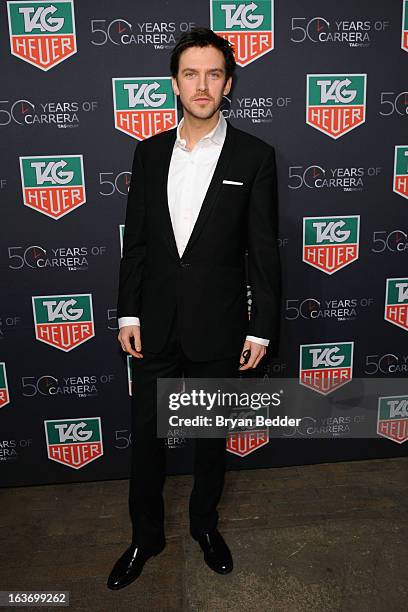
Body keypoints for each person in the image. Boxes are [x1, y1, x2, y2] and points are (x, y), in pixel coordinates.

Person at [107, 26, 281, 590]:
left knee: (209, 441)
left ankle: (205, 527)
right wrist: (128, 314)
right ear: (175, 84)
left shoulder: (255, 156)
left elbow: (263, 252)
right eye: (190, 73)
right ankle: (145, 537)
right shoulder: (149, 151)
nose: (201, 84)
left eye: (213, 74)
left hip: (219, 327)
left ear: (227, 84)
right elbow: (136, 242)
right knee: (148, 440)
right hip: (153, 325)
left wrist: (261, 329)